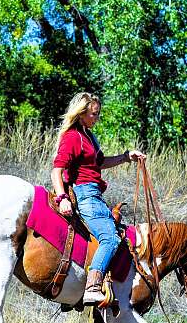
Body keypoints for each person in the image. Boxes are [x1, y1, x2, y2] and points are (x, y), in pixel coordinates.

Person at [51, 92, 146, 305]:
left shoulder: (89, 137)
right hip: (86, 196)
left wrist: (125, 157)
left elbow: (99, 163)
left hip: (96, 196)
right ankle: (92, 287)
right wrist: (62, 198)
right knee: (110, 239)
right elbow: (57, 171)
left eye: (98, 114)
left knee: (118, 239)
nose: (97, 118)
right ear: (82, 113)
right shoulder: (73, 137)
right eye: (94, 114)